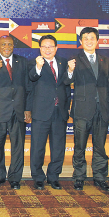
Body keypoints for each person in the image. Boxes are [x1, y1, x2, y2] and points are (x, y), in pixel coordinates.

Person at [67, 26, 109, 191]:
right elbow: (67, 81)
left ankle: (100, 177)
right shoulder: (74, 59)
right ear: (80, 42)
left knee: (100, 146)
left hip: (102, 109)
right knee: (79, 146)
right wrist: (69, 70)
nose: (89, 41)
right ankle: (79, 177)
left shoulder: (106, 60)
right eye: (85, 39)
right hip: (82, 109)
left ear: (97, 41)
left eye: (92, 38)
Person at [0, 36, 30, 190]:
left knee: (18, 146)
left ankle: (15, 178)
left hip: (18, 110)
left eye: (9, 44)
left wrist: (27, 108)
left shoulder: (22, 62)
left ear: (13, 46)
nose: (7, 47)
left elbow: (28, 86)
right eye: (3, 44)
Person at [27, 35, 72, 191]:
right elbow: (32, 78)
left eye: (50, 46)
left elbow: (66, 84)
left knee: (58, 148)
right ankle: (38, 178)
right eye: (44, 47)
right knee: (37, 147)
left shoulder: (64, 62)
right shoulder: (33, 63)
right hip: (41, 112)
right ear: (40, 48)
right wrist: (38, 67)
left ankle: (53, 177)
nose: (47, 49)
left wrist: (71, 72)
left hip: (60, 112)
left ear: (56, 48)